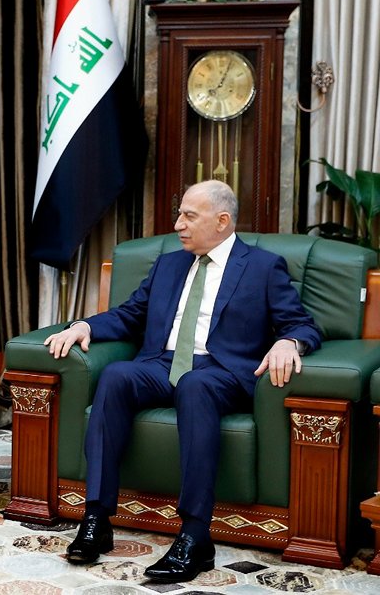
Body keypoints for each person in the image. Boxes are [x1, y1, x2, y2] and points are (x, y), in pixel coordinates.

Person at [43, 180, 321, 583]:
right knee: (116, 375)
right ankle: (97, 518)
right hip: (161, 364)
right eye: (179, 215)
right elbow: (130, 314)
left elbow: (301, 323)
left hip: (221, 372)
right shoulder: (169, 264)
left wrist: (288, 342)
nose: (178, 225)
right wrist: (84, 325)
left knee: (195, 384)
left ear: (222, 221)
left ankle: (195, 534)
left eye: (189, 216)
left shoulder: (263, 267)